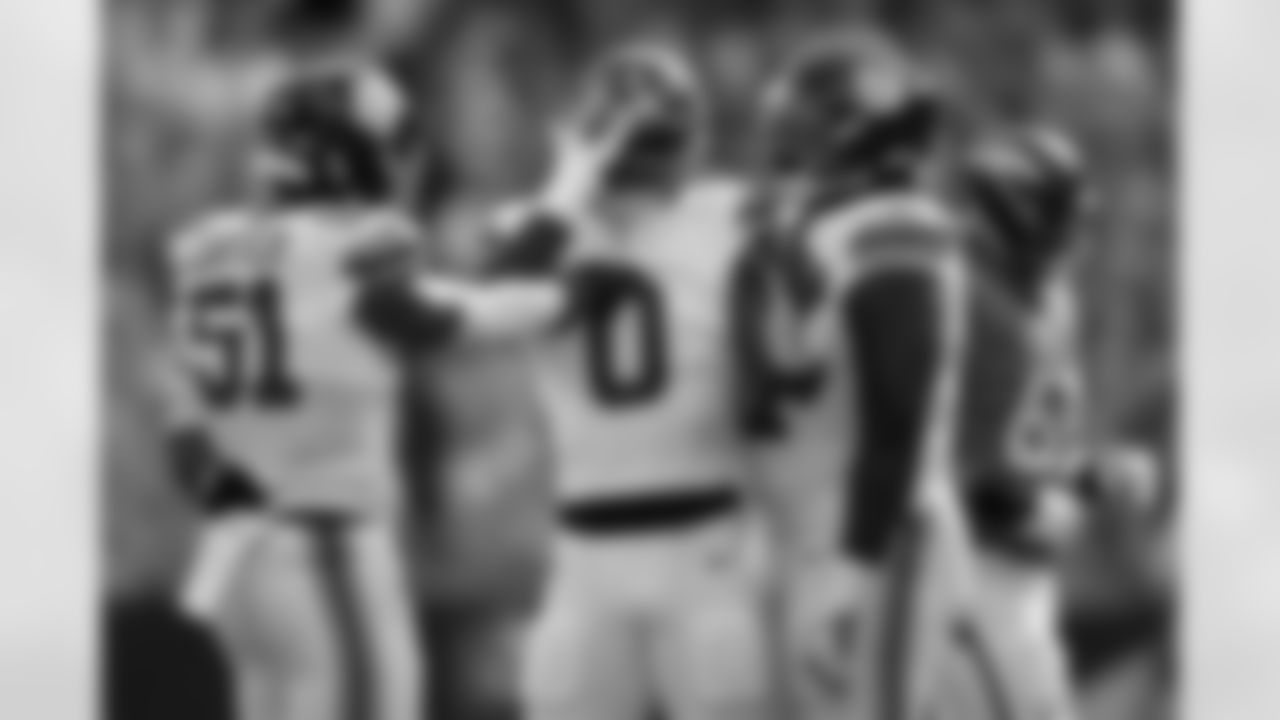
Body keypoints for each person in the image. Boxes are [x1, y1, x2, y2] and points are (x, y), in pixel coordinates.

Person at [162, 61, 574, 720]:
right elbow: (428, 316)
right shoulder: (355, 245)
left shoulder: (206, 255)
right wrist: (551, 302)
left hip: (236, 563)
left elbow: (184, 443)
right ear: (356, 158)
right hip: (324, 550)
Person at [506, 41, 777, 720]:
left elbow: (492, 288)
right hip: (693, 547)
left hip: (619, 550)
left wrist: (569, 182)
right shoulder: (733, 216)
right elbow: (493, 299)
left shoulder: (540, 229)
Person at [740, 32, 958, 720]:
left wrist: (856, 561)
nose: (793, 155)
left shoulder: (890, 226)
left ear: (856, 135)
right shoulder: (832, 228)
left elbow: (901, 394)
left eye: (809, 129)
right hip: (813, 533)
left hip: (877, 536)